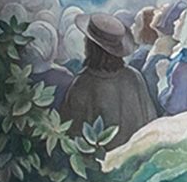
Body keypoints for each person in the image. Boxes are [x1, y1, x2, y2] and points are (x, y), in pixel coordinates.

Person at [58, 12, 157, 150]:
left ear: (91, 46)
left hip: (99, 161)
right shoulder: (134, 77)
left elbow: (69, 135)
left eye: (87, 39)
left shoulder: (82, 84)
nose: (84, 41)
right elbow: (150, 125)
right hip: (135, 158)